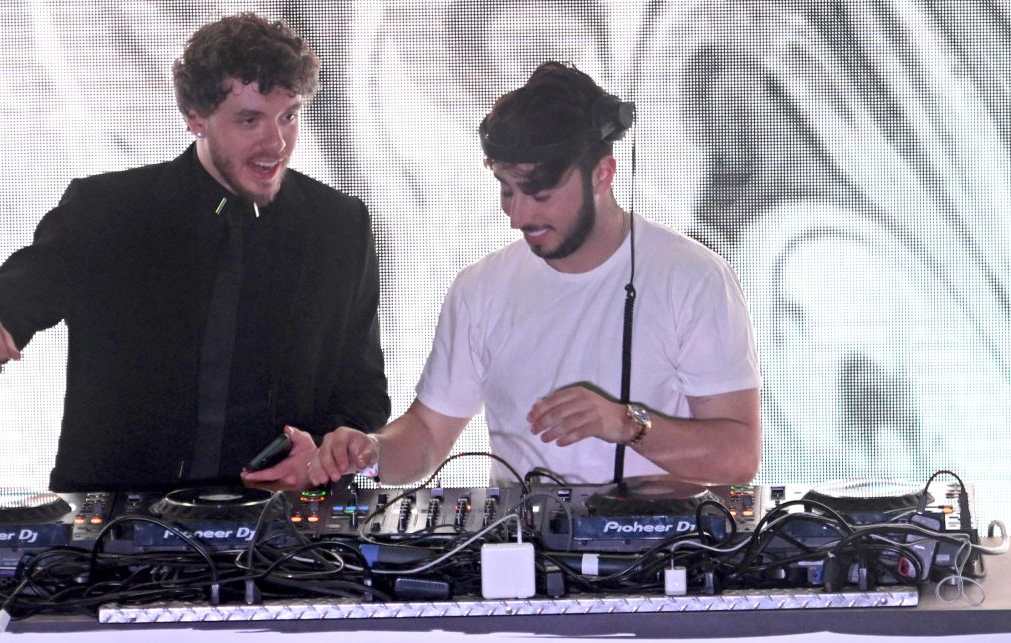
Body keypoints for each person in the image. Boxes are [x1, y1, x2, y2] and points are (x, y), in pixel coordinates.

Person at [0, 12, 388, 492]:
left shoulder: (340, 226)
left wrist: (326, 450)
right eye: (249, 119)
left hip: (279, 531)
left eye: (289, 115)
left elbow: (362, 395)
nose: (276, 141)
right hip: (114, 533)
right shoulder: (106, 211)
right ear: (195, 118)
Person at [295, 61, 761, 489]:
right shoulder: (481, 288)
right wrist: (371, 452)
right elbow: (427, 435)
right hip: (520, 563)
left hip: (663, 563)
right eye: (507, 191)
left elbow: (739, 457)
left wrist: (626, 424)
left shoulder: (695, 279)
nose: (518, 216)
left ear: (603, 174)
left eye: (540, 193)